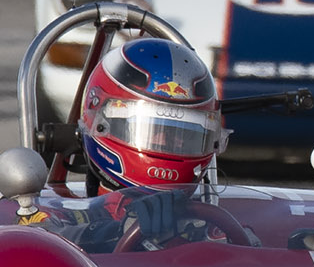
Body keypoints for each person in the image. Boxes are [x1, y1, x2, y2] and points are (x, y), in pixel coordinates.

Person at [78, 36, 226, 191]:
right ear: (102, 124)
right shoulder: (62, 206)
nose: (163, 140)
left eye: (181, 133)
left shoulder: (214, 209)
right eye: (151, 129)